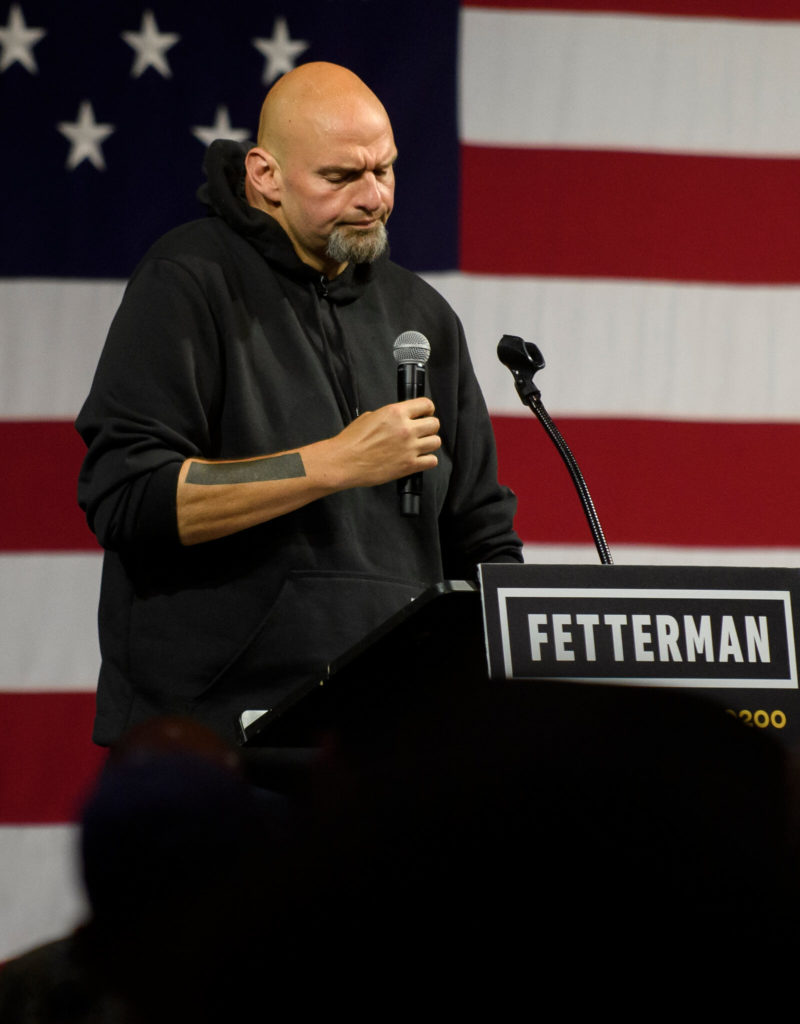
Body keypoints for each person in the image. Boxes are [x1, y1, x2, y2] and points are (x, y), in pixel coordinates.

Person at [76, 63, 522, 747]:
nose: (375, 197)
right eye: (341, 177)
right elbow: (130, 497)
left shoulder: (423, 318)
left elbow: (481, 536)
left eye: (386, 170)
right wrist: (335, 463)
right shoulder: (188, 281)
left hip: (391, 734)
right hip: (214, 744)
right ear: (265, 176)